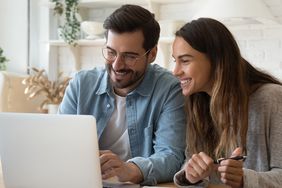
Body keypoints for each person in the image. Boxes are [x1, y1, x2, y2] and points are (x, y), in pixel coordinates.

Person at [58, 4, 186, 186]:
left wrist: (131, 170)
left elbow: (171, 156)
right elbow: (58, 144)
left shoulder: (169, 90)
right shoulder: (81, 84)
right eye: (111, 52)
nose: (117, 65)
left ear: (152, 54)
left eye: (130, 56)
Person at [172, 17, 282, 187]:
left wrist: (244, 179)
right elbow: (191, 163)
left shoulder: (272, 98)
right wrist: (191, 175)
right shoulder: (198, 104)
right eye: (175, 60)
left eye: (185, 60)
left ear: (216, 60)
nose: (175, 71)